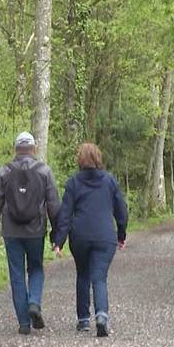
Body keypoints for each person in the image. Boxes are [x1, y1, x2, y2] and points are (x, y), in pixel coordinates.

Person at [0, 132, 61, 335]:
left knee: (17, 274)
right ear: (34, 148)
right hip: (36, 231)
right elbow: (54, 205)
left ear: (16, 149)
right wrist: (57, 237)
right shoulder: (44, 171)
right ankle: (34, 302)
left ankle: (23, 323)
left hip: (11, 232)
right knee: (36, 268)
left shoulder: (5, 171)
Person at [52, 143, 128, 337]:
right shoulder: (110, 181)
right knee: (99, 277)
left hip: (80, 237)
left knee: (83, 275)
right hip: (105, 237)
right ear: (98, 158)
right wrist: (121, 235)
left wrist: (58, 241)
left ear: (80, 160)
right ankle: (102, 316)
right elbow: (121, 210)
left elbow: (65, 214)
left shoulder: (73, 183)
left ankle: (83, 319)